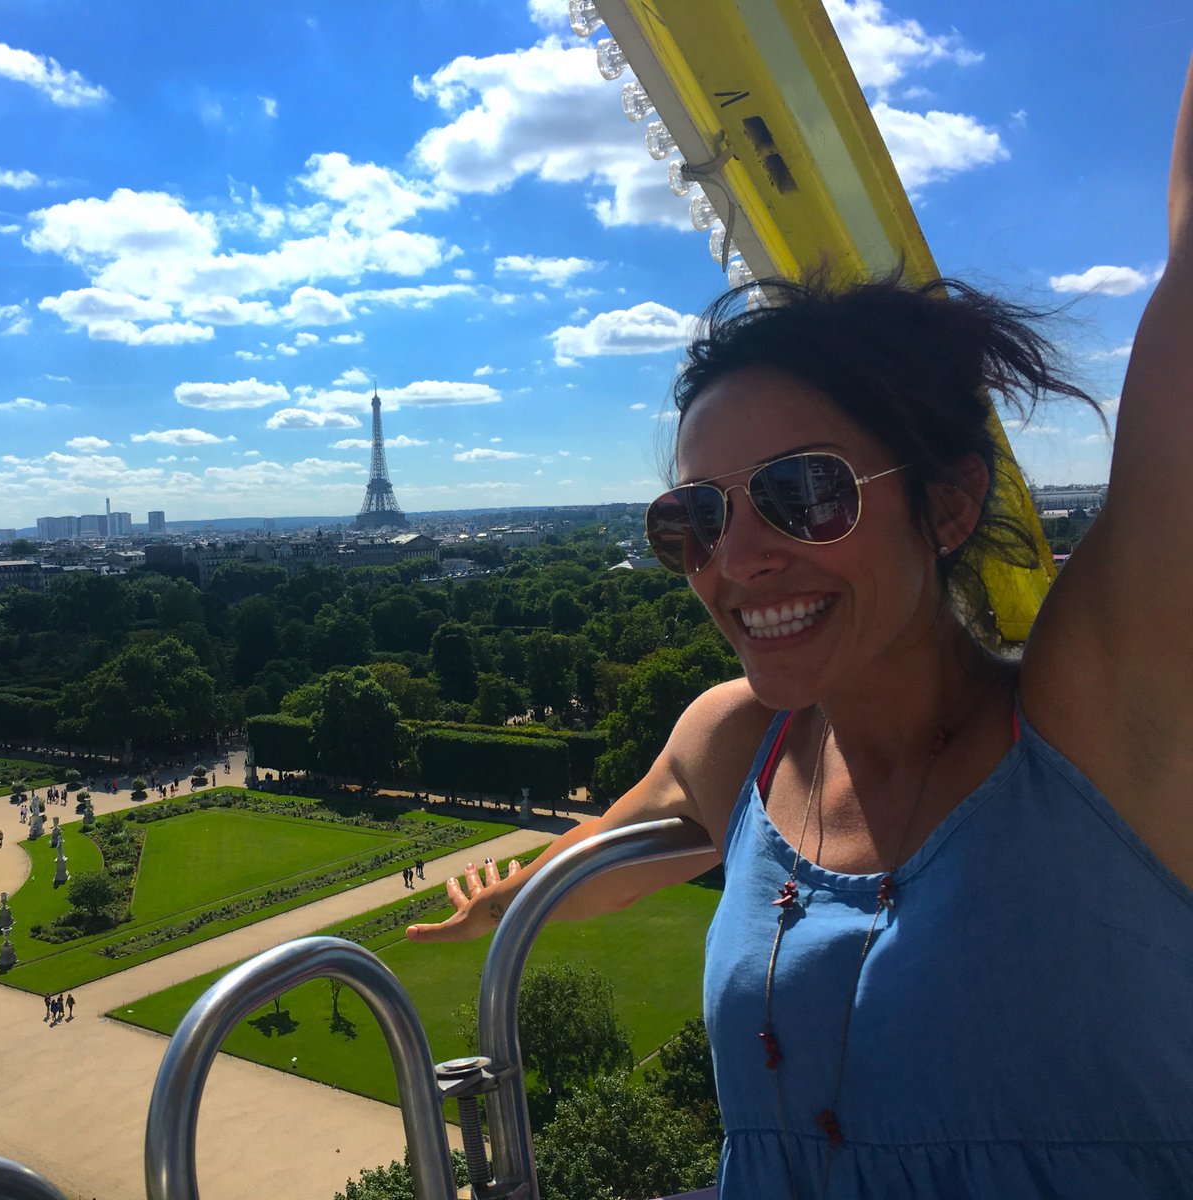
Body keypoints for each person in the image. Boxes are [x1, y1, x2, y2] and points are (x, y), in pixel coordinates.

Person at [410, 55, 1193, 1200]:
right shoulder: (736, 743)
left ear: (949, 503)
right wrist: (510, 897)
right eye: (695, 517)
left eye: (805, 492)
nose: (735, 559)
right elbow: (611, 856)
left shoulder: (1100, 720)